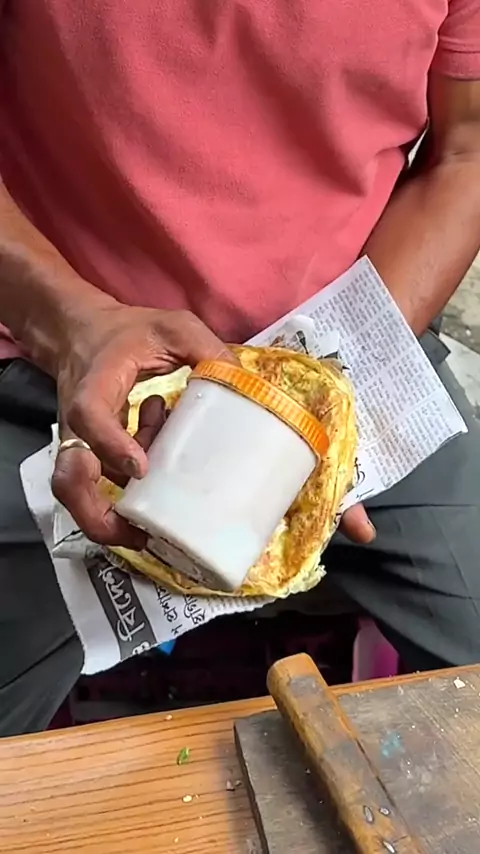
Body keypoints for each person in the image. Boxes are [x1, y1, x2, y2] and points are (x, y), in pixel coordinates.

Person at [1, 0, 480, 737]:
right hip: (53, 352)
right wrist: (69, 324)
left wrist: (331, 387)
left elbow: (465, 153)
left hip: (345, 353)